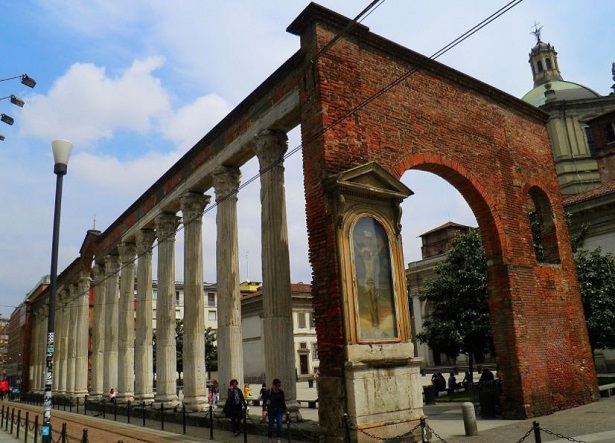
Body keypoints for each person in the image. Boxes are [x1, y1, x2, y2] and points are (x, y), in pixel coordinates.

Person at [266, 378, 287, 443]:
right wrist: (264, 409)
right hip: (271, 410)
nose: (277, 387)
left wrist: (285, 409)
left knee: (279, 424)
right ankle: (270, 438)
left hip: (279, 410)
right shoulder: (269, 392)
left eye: (279, 386)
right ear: (273, 385)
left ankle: (279, 439)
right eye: (276, 386)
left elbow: (283, 402)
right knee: (271, 425)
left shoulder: (281, 392)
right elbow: (265, 401)